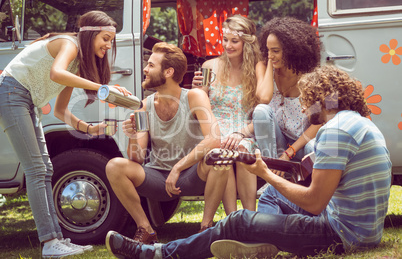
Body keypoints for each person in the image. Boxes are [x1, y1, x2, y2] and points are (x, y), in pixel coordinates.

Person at [105, 65, 392, 259]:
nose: (304, 108)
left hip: (342, 234)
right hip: (360, 228)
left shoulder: (335, 130)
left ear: (322, 99)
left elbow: (314, 202)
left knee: (240, 219)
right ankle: (260, 240)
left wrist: (265, 173)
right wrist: (272, 179)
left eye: (307, 100)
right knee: (272, 194)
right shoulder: (357, 123)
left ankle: (157, 253)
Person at [0, 11, 130, 258]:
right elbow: (55, 74)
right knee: (36, 169)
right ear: (90, 35)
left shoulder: (78, 64)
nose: (108, 45)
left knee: (46, 168)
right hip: (11, 94)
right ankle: (49, 242)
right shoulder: (69, 44)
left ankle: (58, 239)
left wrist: (89, 128)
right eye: (105, 38)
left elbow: (60, 110)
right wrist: (102, 87)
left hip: (25, 100)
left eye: (111, 40)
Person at [105, 42, 227, 244]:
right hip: (159, 178)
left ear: (168, 71)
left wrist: (178, 168)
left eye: (151, 65)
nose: (145, 69)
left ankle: (205, 228)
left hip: (191, 175)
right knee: (114, 166)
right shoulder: (143, 107)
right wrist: (132, 134)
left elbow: (214, 139)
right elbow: (137, 157)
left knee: (220, 159)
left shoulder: (195, 96)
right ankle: (145, 230)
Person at [192, 15, 271, 213]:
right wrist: (198, 90)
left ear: (246, 42)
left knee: (243, 150)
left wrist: (242, 133)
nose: (228, 45)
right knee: (222, 152)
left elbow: (263, 111)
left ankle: (250, 216)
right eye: (225, 40)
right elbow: (200, 109)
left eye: (234, 41)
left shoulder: (257, 68)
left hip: (245, 128)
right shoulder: (210, 66)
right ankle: (232, 218)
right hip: (216, 129)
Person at [253, 16, 322, 164]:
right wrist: (271, 64)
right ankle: (271, 169)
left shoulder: (311, 78)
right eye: (268, 50)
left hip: (301, 144)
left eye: (275, 51)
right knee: (260, 110)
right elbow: (264, 98)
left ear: (292, 51)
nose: (270, 56)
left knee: (313, 148)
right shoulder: (263, 67)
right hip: (276, 142)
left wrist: (289, 152)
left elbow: (318, 123)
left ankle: (314, 185)